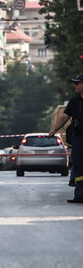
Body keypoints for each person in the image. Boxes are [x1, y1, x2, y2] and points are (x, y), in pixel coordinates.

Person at [49, 73, 83, 203]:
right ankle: (80, 195)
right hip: (79, 138)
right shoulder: (74, 100)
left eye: (77, 83)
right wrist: (54, 130)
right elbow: (64, 116)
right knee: (79, 167)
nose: (74, 85)